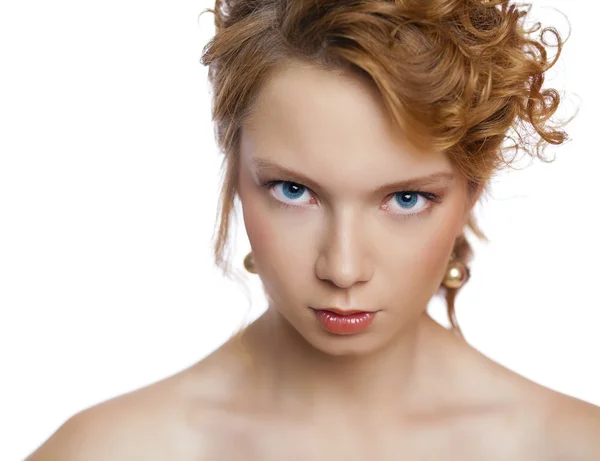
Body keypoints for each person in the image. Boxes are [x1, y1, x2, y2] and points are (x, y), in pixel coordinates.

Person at [26, 0, 600, 460]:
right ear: (234, 167)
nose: (343, 268)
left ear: (473, 189)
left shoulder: (572, 447)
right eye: (293, 191)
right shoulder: (108, 451)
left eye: (406, 198)